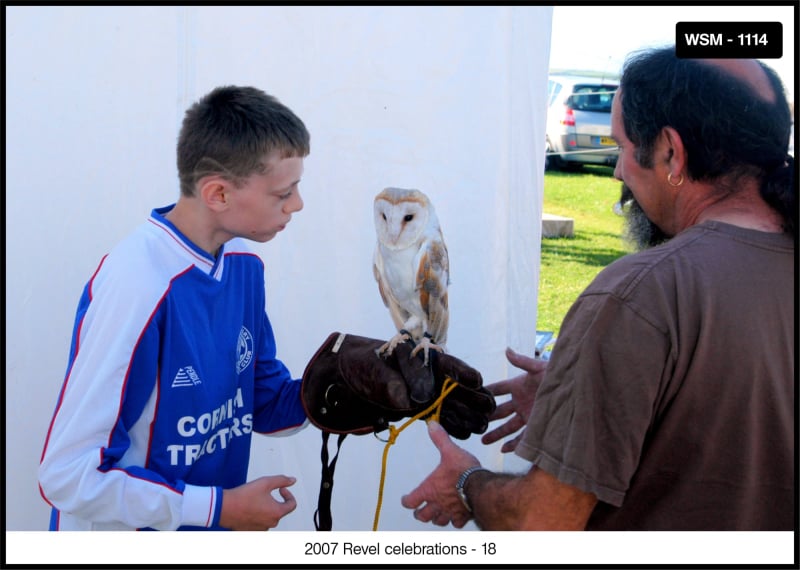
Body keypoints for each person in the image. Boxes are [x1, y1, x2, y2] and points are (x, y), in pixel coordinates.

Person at [401, 47, 795, 531]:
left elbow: (541, 524)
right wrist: (587, 387)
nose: (617, 172)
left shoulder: (642, 293)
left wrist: (465, 484)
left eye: (623, 148)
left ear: (671, 152)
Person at [38, 85, 312, 531]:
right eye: (284, 193)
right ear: (218, 194)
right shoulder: (138, 285)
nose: (297, 205)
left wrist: (338, 394)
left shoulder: (243, 262)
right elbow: (68, 476)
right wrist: (218, 509)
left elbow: (260, 402)